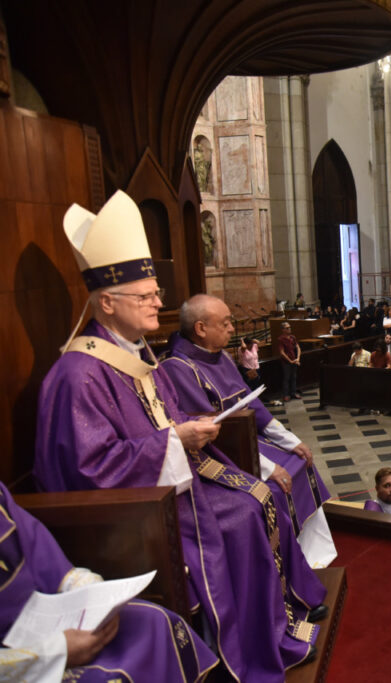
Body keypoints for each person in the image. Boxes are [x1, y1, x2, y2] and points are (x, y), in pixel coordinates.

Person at [35, 191, 325, 680]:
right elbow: (90, 468)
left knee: (260, 494)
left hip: (171, 478)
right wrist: (175, 441)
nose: (158, 304)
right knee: (240, 517)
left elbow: (165, 413)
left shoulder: (135, 349)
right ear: (107, 301)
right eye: (146, 296)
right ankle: (244, 647)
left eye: (156, 293)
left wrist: (187, 432)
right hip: (136, 511)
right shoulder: (77, 375)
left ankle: (278, 622)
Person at [163, 294, 338, 569]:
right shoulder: (178, 368)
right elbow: (215, 436)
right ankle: (288, 567)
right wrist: (267, 469)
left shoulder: (219, 357)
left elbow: (251, 401)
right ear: (200, 329)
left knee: (303, 462)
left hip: (248, 441)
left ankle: (315, 556)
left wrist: (291, 441)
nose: (232, 329)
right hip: (226, 455)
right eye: (225, 323)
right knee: (278, 487)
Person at [0, 482, 218, 682]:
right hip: (24, 658)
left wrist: (95, 597)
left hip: (41, 615)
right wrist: (57, 651)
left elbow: (40, 551)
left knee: (154, 622)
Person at [278, 321, 301, 400]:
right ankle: (286, 395)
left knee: (294, 377)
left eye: (290, 327)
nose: (289, 329)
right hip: (286, 362)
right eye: (287, 328)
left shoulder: (292, 337)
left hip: (294, 360)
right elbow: (282, 352)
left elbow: (298, 347)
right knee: (286, 378)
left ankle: (293, 393)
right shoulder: (281, 339)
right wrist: (290, 361)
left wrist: (298, 358)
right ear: (283, 330)